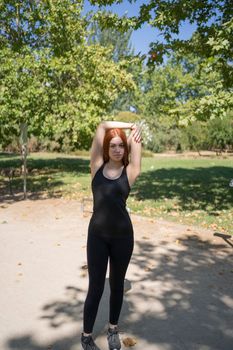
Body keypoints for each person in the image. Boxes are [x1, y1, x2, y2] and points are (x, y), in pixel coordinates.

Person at [81, 121, 142, 350]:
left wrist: (135, 133)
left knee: (117, 286)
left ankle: (113, 329)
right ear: (106, 148)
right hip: (97, 237)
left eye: (121, 146)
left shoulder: (130, 171)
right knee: (96, 288)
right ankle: (86, 336)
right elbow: (101, 126)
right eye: (113, 145)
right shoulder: (96, 166)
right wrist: (127, 124)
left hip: (123, 238)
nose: (117, 149)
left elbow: (136, 149)